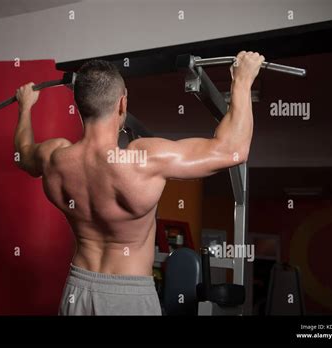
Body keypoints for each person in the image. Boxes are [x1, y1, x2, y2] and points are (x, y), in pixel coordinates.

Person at [14, 51, 265, 315]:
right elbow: (232, 150)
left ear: (79, 106)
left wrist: (25, 107)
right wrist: (242, 80)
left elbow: (23, 152)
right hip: (128, 296)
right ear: (122, 103)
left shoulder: (54, 157)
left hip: (78, 291)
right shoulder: (142, 159)